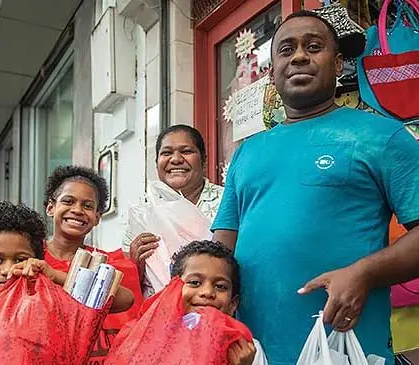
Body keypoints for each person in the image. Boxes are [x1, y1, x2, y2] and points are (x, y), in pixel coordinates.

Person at [211, 11, 419, 364]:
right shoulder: (247, 152)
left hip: (344, 347)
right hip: (251, 351)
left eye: (313, 47)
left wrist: (363, 274)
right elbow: (223, 249)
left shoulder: (382, 136)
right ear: (272, 71)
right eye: (286, 50)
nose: (298, 56)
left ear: (338, 62)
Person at [42, 165, 136, 364]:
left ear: (97, 217)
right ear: (51, 207)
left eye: (87, 205)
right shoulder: (31, 260)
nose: (77, 210)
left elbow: (128, 303)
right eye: (68, 201)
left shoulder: (111, 267)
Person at [125, 125, 225, 296]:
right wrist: (136, 263)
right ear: (157, 163)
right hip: (162, 315)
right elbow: (130, 286)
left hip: (215, 308)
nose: (176, 159)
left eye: (186, 151)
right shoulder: (143, 213)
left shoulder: (226, 202)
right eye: (166, 153)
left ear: (204, 160)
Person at [171, 240, 268, 365]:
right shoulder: (156, 338)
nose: (207, 292)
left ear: (233, 304)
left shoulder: (247, 350)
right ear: (171, 291)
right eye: (195, 282)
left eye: (220, 286)